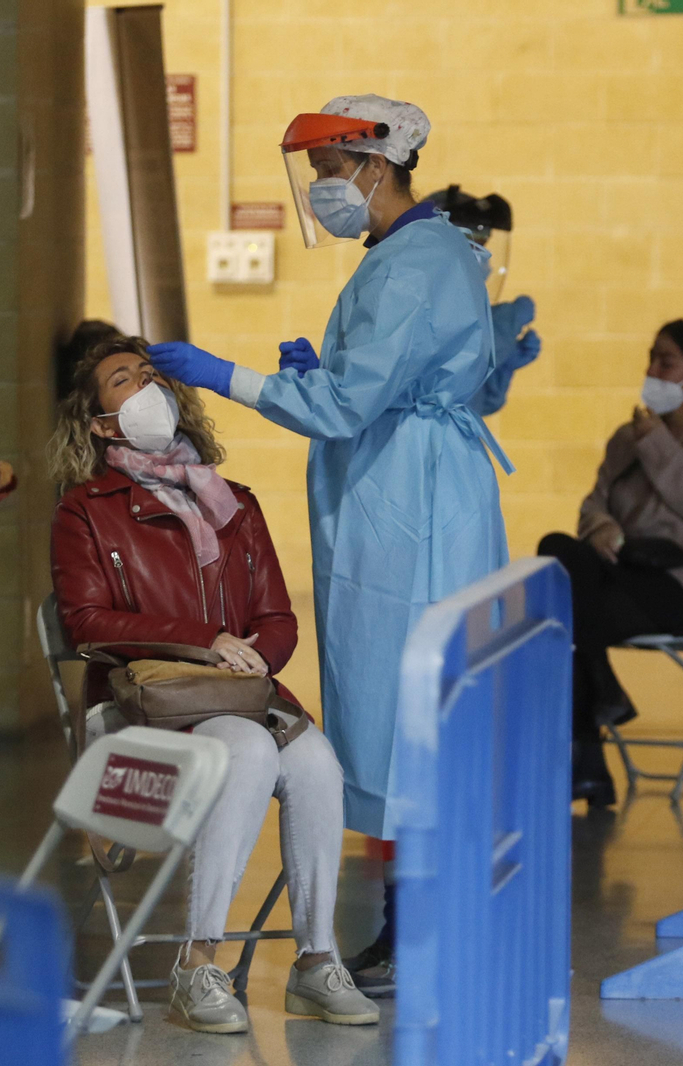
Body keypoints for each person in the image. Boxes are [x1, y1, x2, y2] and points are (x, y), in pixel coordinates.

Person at [146, 95, 509, 999]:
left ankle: (418, 927)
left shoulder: (412, 265)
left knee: (401, 716)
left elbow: (347, 408)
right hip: (417, 485)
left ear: (374, 167)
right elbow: (377, 383)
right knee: (406, 713)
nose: (320, 193)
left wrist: (226, 375)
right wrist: (329, 374)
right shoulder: (429, 251)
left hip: (408, 508)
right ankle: (417, 920)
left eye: (326, 174)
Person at [48, 337, 379, 1032]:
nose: (145, 387)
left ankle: (317, 961)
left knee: (318, 763)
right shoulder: (85, 510)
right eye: (122, 382)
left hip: (238, 699)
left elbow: (277, 617)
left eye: (150, 375)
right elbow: (84, 622)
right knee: (251, 751)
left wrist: (263, 655)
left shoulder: (235, 504)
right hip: (142, 710)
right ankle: (199, 964)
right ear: (102, 424)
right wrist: (206, 641)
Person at [538, 320, 683, 806]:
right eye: (651, 358)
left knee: (567, 616)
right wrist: (604, 529)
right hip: (625, 576)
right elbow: (591, 505)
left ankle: (589, 747)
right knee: (558, 549)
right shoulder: (626, 437)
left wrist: (656, 445)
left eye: (666, 362)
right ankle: (598, 710)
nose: (652, 371)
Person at [421, 184, 541, 415]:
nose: (483, 261)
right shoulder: (412, 306)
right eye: (472, 246)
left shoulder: (465, 315)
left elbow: (475, 405)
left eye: (483, 247)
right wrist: (496, 334)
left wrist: (502, 368)